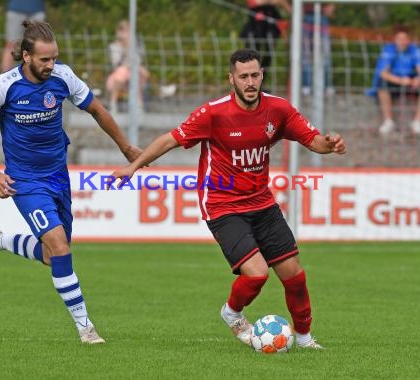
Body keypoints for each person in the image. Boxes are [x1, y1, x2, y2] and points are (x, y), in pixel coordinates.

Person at [111, 49, 346, 349]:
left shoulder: (279, 109)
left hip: (261, 202)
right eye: (243, 76)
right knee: (258, 274)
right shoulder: (214, 113)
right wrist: (134, 166)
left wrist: (330, 144)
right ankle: (232, 312)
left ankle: (304, 339)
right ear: (231, 79)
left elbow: (314, 141)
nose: (250, 82)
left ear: (262, 75)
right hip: (222, 205)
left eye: (255, 75)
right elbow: (171, 138)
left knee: (294, 275)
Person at [0, 20, 142, 344]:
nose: (51, 65)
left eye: (54, 58)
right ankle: (86, 328)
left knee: (53, 256)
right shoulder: (4, 86)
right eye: (44, 59)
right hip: (25, 181)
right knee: (60, 247)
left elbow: (97, 110)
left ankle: (0, 241)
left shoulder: (63, 76)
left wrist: (125, 146)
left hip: (58, 177)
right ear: (26, 56)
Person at [373, 27, 420, 136]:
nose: (403, 41)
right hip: (396, 80)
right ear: (395, 40)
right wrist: (400, 81)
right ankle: (388, 121)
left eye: (405, 38)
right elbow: (383, 73)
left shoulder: (414, 49)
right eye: (400, 38)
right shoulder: (389, 50)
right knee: (382, 86)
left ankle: (417, 122)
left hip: (410, 80)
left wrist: (419, 79)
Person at [105, 20, 150, 114]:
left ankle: (139, 106)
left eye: (128, 31)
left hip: (132, 75)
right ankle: (113, 104)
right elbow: (116, 64)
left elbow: (138, 61)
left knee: (138, 74)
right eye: (123, 31)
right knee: (122, 72)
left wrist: (130, 47)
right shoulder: (114, 47)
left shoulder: (136, 46)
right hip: (117, 77)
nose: (126, 34)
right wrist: (125, 48)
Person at [240, 0, 291, 76]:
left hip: (269, 29)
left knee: (268, 55)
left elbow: (283, 4)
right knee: (251, 55)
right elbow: (255, 2)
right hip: (255, 29)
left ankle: (261, 78)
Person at [1, 0, 46, 72]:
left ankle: (37, 76)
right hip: (15, 9)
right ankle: (5, 79)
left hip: (37, 10)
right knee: (11, 45)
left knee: (38, 45)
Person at [302, 3, 335, 96]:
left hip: (322, 16)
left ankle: (326, 85)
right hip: (306, 16)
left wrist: (332, 6)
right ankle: (306, 85)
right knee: (306, 55)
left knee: (325, 55)